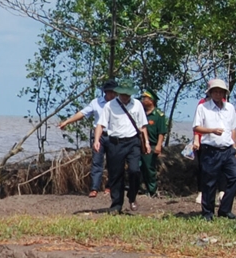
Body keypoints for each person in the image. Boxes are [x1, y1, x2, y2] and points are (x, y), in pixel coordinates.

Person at [95, 80, 150, 213]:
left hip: (133, 142)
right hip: (115, 142)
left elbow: (142, 126)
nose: (125, 97)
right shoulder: (109, 106)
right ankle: (116, 204)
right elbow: (100, 124)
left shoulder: (137, 105)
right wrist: (97, 140)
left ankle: (132, 196)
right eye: (123, 94)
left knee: (135, 170)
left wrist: (146, 142)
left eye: (127, 94)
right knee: (116, 174)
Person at [58, 80, 117, 198]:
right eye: (111, 92)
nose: (113, 95)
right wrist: (67, 122)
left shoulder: (118, 104)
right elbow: (82, 113)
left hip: (114, 136)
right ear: (105, 92)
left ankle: (110, 187)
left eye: (114, 92)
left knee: (113, 163)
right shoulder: (96, 103)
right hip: (99, 136)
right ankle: (94, 188)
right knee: (97, 162)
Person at [193, 78, 236, 219]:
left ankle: (225, 209)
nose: (218, 94)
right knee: (209, 182)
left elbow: (233, 127)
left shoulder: (230, 108)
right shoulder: (203, 108)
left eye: (220, 92)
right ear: (210, 93)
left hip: (227, 149)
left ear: (224, 94)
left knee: (235, 177)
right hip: (210, 149)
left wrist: (234, 143)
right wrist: (211, 130)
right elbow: (197, 127)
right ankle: (207, 212)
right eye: (215, 92)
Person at [139, 90, 168, 197]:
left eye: (145, 98)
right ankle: (139, 188)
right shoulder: (140, 113)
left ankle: (152, 190)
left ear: (151, 101)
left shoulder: (158, 115)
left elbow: (161, 132)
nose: (143, 100)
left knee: (149, 168)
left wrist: (159, 145)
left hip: (151, 145)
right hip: (139, 144)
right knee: (137, 167)